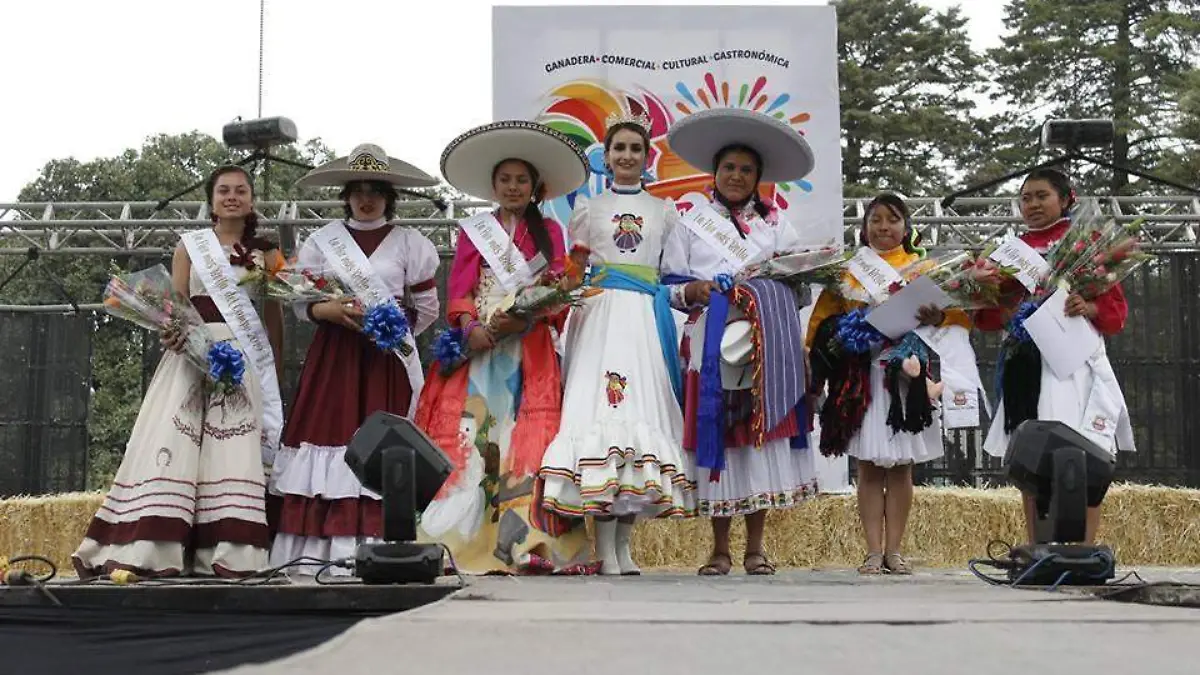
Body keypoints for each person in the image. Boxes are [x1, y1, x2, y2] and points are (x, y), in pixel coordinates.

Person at [73, 165, 285, 578]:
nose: (231, 196)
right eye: (223, 190)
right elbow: (177, 305)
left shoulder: (268, 253)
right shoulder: (190, 246)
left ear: (252, 200)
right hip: (193, 349)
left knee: (234, 445)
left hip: (242, 354)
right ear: (211, 199)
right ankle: (157, 546)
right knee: (177, 440)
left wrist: (271, 363)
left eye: (241, 190)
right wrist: (172, 335)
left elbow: (274, 316)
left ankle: (228, 551)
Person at [414, 120, 595, 574]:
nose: (513, 187)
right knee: (477, 438)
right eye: (505, 180)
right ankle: (463, 540)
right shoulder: (476, 231)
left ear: (536, 186)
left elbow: (559, 294)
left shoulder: (551, 234)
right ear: (494, 185)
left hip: (528, 349)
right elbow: (458, 290)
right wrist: (470, 325)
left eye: (521, 180)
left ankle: (530, 543)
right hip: (482, 347)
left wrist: (534, 313)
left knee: (524, 441)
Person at [660, 108, 819, 576]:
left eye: (746, 170)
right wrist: (692, 291)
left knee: (758, 441)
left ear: (758, 179)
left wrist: (774, 286)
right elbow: (667, 283)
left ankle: (756, 548)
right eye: (728, 168)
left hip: (763, 343)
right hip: (710, 342)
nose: (736, 176)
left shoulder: (776, 226)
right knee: (722, 438)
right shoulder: (689, 220)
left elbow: (801, 287)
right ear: (715, 172)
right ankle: (719, 549)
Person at [268, 144, 442, 573]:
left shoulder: (409, 242)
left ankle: (384, 545)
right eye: (358, 190)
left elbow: (428, 307)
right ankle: (317, 553)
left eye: (376, 191)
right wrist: (330, 312)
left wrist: (389, 331)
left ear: (389, 196)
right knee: (330, 436)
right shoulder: (322, 241)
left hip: (385, 361)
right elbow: (301, 303)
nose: (367, 199)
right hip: (335, 358)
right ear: (346, 195)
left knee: (382, 446)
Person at [538, 113, 695, 576]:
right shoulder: (588, 209)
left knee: (639, 417)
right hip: (600, 312)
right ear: (605, 157)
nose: (627, 156)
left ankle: (624, 546)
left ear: (648, 157)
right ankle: (603, 547)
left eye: (635, 149)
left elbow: (673, 276)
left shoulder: (666, 212)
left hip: (645, 318)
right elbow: (575, 269)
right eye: (619, 148)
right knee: (604, 411)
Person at [806, 193, 974, 575]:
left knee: (901, 468)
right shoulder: (849, 270)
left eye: (892, 219)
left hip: (907, 378)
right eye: (876, 220)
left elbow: (959, 321)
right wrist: (850, 330)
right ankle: (872, 550)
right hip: (862, 377)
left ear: (906, 226)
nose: (884, 227)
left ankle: (894, 551)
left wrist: (938, 315)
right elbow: (821, 324)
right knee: (868, 466)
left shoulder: (925, 268)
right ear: (864, 227)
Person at [975, 167, 1134, 545]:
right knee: (1030, 456)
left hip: (1074, 364)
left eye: (1041, 195)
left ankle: (1083, 550)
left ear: (1066, 199)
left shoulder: (1087, 244)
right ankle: (1037, 548)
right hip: (1027, 364)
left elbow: (1115, 313)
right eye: (1026, 197)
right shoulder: (1009, 253)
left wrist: (1087, 307)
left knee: (1085, 457)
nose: (1032, 204)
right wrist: (996, 301)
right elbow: (989, 314)